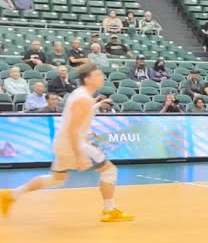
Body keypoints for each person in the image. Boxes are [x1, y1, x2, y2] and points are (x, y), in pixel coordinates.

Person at [1, 63, 131, 221]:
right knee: (109, 171)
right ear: (88, 79)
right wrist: (79, 155)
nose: (102, 77)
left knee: (57, 178)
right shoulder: (82, 99)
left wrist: (96, 104)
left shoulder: (82, 95)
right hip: (73, 144)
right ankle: (109, 210)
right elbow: (73, 130)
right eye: (97, 74)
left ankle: (11, 195)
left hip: (64, 143)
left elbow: (79, 116)